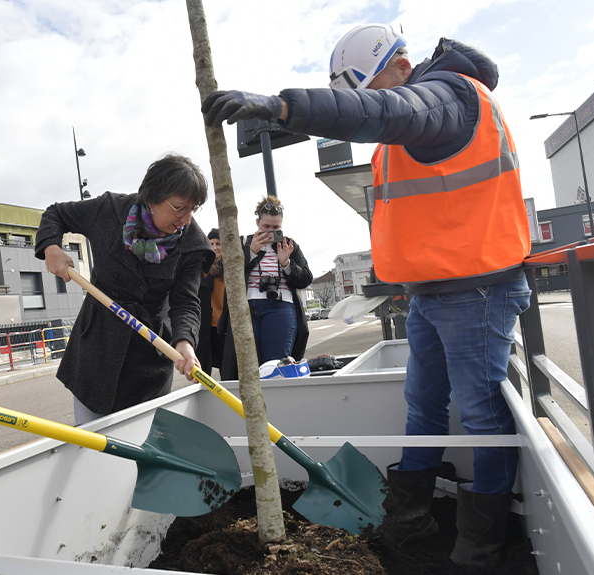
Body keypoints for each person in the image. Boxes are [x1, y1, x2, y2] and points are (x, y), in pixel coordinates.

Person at [202, 24, 531, 568]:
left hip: (476, 289)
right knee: (423, 405)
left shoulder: (447, 96)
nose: (373, 104)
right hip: (432, 293)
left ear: (402, 66)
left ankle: (481, 546)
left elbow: (383, 112)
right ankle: (410, 523)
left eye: (371, 91)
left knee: (481, 414)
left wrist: (282, 107)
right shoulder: (424, 112)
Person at [36, 154, 212, 425]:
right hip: (97, 348)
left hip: (149, 356)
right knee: (92, 439)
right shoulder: (109, 210)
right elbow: (55, 214)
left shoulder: (192, 243)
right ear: (152, 197)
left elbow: (186, 303)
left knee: (143, 439)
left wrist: (185, 342)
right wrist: (51, 247)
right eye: (180, 208)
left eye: (193, 209)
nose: (187, 219)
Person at [218, 197, 312, 381]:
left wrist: (286, 263)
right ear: (257, 222)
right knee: (247, 365)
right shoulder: (242, 243)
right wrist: (250, 252)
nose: (270, 232)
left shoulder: (290, 245)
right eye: (266, 226)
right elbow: (225, 272)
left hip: (281, 307)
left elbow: (306, 279)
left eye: (276, 227)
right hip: (245, 309)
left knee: (276, 366)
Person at [196, 228, 226, 372]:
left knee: (227, 368)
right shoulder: (200, 269)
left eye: (218, 244)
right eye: (211, 243)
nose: (215, 247)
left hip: (224, 327)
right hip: (205, 326)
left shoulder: (231, 270)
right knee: (203, 368)